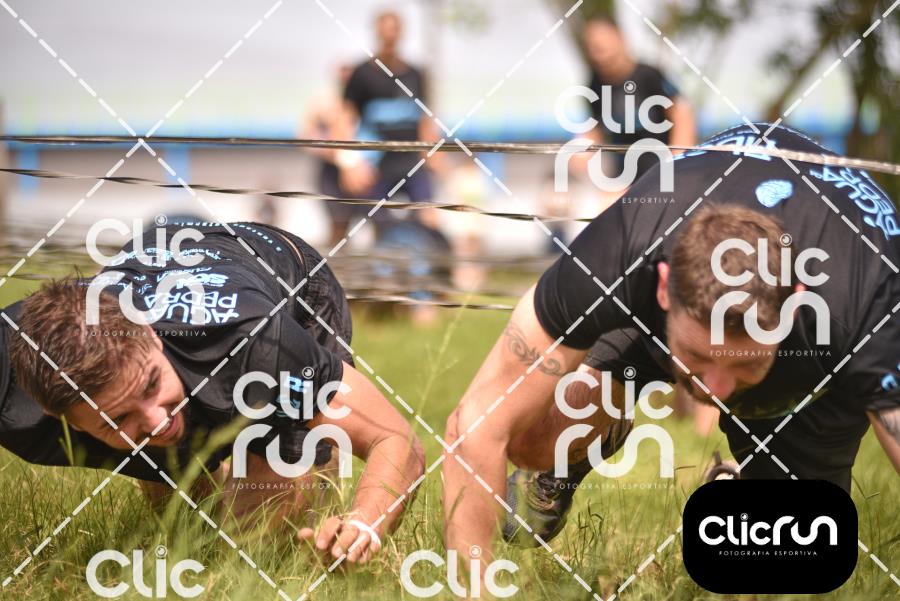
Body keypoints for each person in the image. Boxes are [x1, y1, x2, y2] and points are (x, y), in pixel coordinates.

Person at [442, 123, 900, 560]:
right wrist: (472, 586)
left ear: (796, 305)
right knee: (532, 436)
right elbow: (475, 423)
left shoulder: (867, 302)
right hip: (662, 300)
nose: (714, 392)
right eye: (699, 355)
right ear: (663, 288)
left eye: (745, 363)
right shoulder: (625, 247)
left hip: (811, 358)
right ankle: (578, 450)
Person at [6, 221, 424, 564]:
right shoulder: (12, 385)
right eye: (118, 419)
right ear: (57, 418)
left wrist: (363, 528)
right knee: (189, 532)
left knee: (258, 545)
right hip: (159, 257)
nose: (158, 421)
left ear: (149, 335)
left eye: (151, 385)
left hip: (282, 273)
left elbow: (395, 440)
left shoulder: (258, 343)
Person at [336, 10, 443, 226]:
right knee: (378, 225)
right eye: (384, 31)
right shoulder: (361, 74)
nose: (389, 36)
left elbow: (425, 121)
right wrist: (349, 163)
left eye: (394, 30)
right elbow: (344, 121)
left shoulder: (415, 74)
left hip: (412, 162)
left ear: (401, 32)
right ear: (376, 32)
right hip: (375, 164)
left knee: (429, 220)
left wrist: (437, 158)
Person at [580, 15, 696, 179]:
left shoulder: (649, 76)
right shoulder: (594, 86)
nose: (600, 56)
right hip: (623, 177)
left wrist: (677, 165)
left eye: (603, 48)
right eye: (593, 48)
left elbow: (682, 113)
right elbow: (595, 130)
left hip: (662, 173)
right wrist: (580, 153)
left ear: (621, 39)